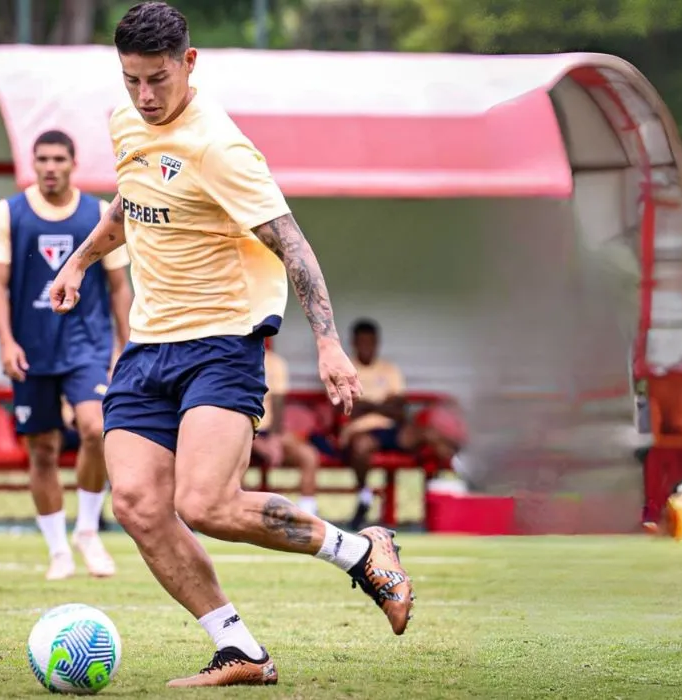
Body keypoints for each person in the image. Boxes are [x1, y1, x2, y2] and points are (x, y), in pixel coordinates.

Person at [48, 2, 414, 687]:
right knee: (134, 502)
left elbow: (293, 244)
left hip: (222, 342)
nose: (146, 96)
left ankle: (362, 552)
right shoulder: (126, 121)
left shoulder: (219, 146)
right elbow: (130, 204)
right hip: (150, 346)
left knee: (206, 504)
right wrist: (78, 263)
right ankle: (239, 649)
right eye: (132, 80)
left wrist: (330, 346)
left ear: (189, 63)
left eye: (158, 79)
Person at [0, 129, 133, 581]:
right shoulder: (9, 213)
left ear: (73, 163)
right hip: (32, 350)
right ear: (34, 164)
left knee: (96, 428)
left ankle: (87, 530)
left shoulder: (97, 212)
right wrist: (6, 342)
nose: (49, 167)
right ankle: (58, 552)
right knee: (42, 450)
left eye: (57, 159)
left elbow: (119, 286)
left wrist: (122, 348)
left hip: (85, 345)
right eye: (42, 159)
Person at [339, 319, 408, 528]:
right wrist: (382, 404)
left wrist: (367, 404)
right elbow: (349, 407)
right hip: (363, 431)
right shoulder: (345, 369)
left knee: (427, 435)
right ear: (354, 343)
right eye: (362, 342)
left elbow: (399, 409)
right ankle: (365, 496)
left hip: (392, 429)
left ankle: (442, 491)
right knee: (361, 447)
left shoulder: (390, 369)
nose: (367, 347)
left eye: (371, 342)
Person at [251, 341, 323, 516]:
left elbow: (277, 403)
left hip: (268, 430)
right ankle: (234, 514)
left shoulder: (276, 363)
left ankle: (307, 513)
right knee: (232, 456)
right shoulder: (231, 361)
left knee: (308, 455)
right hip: (240, 431)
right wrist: (255, 441)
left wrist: (274, 441)